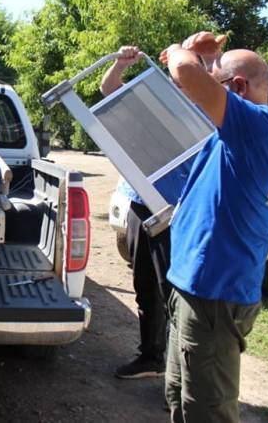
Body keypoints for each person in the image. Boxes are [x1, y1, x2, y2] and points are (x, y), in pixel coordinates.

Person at [160, 32, 268, 422]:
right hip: (194, 288)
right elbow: (188, 81)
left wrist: (182, 54)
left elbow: (183, 70)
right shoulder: (238, 132)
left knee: (208, 411)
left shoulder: (259, 128)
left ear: (237, 87)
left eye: (215, 82)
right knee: (181, 397)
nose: (205, 95)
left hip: (213, 294)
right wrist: (204, 62)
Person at [100, 47, 192, 380]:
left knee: (176, 290)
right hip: (143, 205)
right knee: (145, 284)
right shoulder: (155, 102)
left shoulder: (206, 106)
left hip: (180, 211)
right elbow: (109, 90)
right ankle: (151, 356)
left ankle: (179, 370)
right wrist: (120, 64)